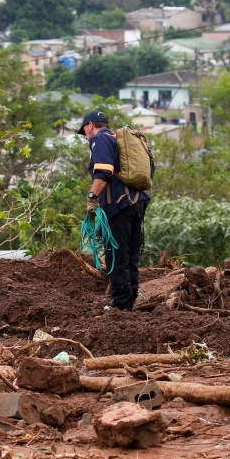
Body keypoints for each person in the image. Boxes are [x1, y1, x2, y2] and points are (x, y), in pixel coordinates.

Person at [78, 110, 150, 311]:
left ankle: (120, 306)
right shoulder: (116, 138)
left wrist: (92, 198)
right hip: (138, 201)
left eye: (84, 130)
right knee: (130, 253)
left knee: (116, 254)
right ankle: (129, 301)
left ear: (90, 125)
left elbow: (103, 172)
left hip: (119, 204)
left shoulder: (99, 139)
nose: (85, 135)